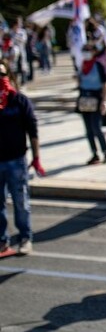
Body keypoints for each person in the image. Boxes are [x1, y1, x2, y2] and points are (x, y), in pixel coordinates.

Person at [0, 61, 43, 255]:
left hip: (16, 160)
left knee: (20, 201)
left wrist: (36, 157)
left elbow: (32, 130)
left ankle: (25, 237)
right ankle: (2, 241)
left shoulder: (19, 101)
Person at [77, 42, 106, 165]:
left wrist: (104, 101)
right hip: (84, 99)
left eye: (88, 50)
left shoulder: (98, 65)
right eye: (84, 50)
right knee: (88, 130)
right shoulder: (83, 65)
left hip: (96, 98)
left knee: (96, 128)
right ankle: (94, 153)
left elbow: (105, 84)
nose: (86, 53)